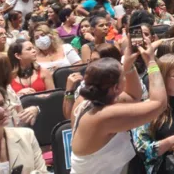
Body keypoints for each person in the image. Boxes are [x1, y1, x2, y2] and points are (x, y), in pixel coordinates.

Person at [70, 41, 167, 174]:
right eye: (123, 76)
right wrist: (151, 62)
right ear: (116, 88)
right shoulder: (105, 116)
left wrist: (127, 65)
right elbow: (159, 105)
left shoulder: (84, 100)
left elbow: (133, 97)